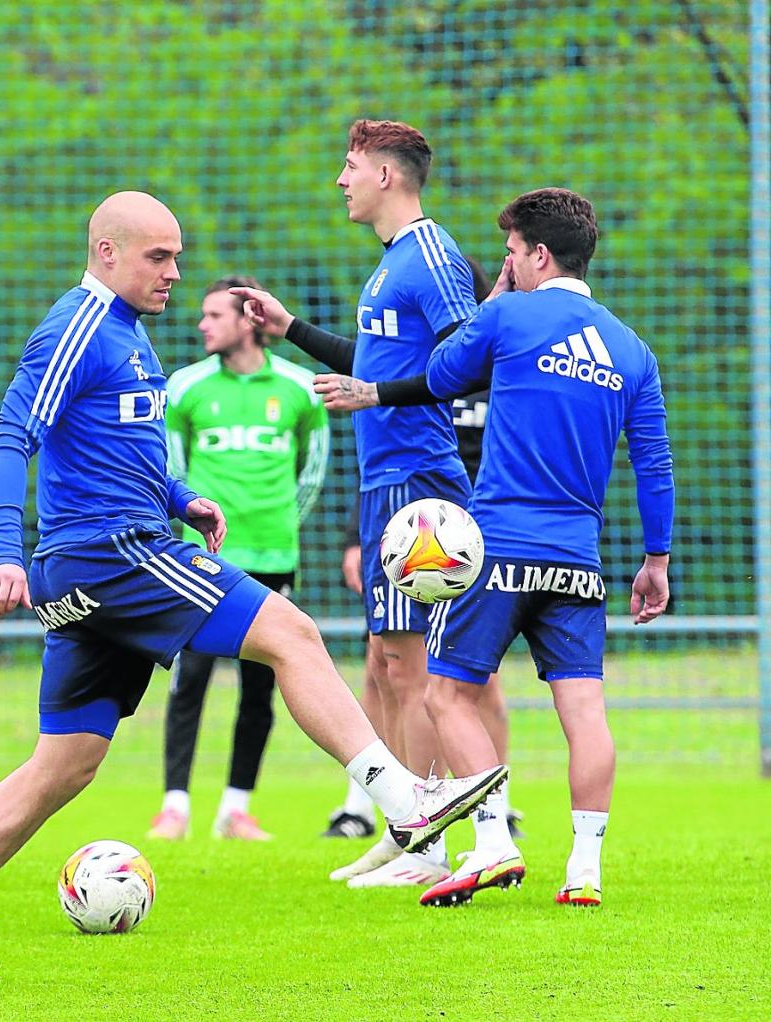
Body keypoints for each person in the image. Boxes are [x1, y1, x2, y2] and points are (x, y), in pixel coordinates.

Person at [0, 190, 506, 982]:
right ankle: (404, 800)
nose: (174, 272)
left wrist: (181, 497)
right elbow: (12, 437)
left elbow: (115, 446)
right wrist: (4, 549)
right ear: (107, 252)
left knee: (66, 762)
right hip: (113, 555)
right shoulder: (77, 326)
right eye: (158, 257)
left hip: (94, 565)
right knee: (294, 634)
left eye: (177, 256)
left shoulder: (127, 334)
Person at [311, 187, 673, 908]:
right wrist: (656, 561)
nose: (504, 264)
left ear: (538, 255)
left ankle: (492, 842)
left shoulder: (507, 313)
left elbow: (443, 375)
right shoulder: (633, 349)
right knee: (586, 712)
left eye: (510, 252)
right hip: (579, 559)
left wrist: (489, 307)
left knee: (447, 694)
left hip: (500, 546)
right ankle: (584, 869)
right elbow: (655, 463)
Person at [231, 119, 478, 889]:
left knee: (411, 670)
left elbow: (472, 364)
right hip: (384, 485)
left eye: (349, 166)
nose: (339, 180)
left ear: (386, 175)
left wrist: (375, 393)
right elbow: (377, 363)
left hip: (421, 482)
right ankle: (414, 830)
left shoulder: (432, 255)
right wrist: (292, 330)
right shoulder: (390, 265)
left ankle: (430, 842)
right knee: (385, 661)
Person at [324, 256, 526, 845]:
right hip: (411, 529)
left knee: (470, 673)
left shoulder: (498, 367)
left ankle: (488, 807)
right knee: (384, 662)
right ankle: (374, 804)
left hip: (471, 527)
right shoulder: (429, 369)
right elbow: (377, 395)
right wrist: (352, 540)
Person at [146, 275, 329, 842]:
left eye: (213, 315)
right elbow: (169, 469)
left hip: (274, 555)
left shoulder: (300, 388)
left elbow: (313, 469)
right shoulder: (185, 386)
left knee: (260, 687)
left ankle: (236, 807)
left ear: (249, 319)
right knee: (190, 679)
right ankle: (174, 806)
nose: (202, 324)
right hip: (203, 559)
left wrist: (282, 527)